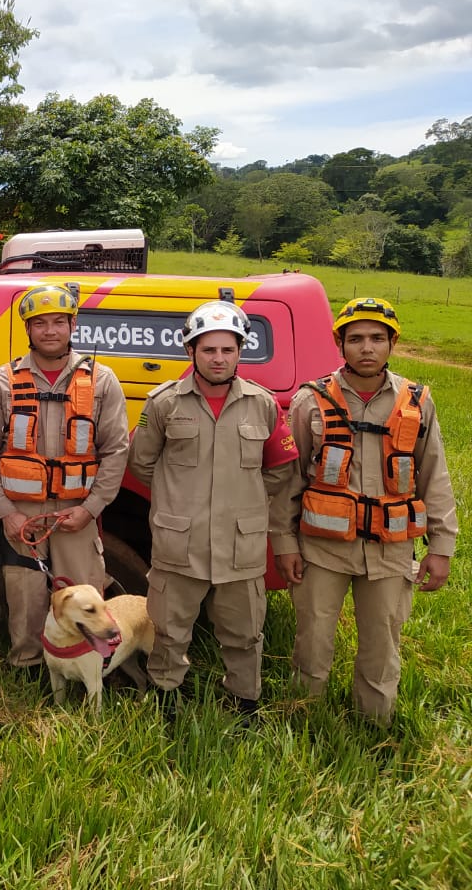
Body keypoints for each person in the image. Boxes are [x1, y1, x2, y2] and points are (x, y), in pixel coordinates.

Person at [273, 297, 457, 726]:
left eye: (377, 338)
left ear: (392, 343)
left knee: (382, 643)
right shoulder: (311, 400)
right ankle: (304, 720)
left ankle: (375, 727)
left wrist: (441, 546)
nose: (367, 348)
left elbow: (436, 478)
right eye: (356, 339)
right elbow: (289, 482)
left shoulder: (416, 402)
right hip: (322, 549)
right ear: (340, 344)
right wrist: (284, 543)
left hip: (391, 551)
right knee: (313, 640)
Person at [127, 300, 299, 723]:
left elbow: (280, 469)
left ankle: (243, 704)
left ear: (240, 352)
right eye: (208, 350)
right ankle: (166, 698)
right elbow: (142, 463)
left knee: (244, 633)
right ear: (191, 352)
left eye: (227, 350)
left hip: (240, 545)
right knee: (168, 629)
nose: (218, 358)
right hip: (179, 542)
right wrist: (179, 500)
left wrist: (239, 499)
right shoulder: (164, 403)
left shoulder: (262, 404)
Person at [0, 284, 129, 674]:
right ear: (28, 329)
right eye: (39, 323)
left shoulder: (102, 380)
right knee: (25, 598)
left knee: (85, 600)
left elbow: (115, 451)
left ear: (72, 324)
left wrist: (91, 509)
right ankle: (26, 671)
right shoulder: (2, 381)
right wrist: (5, 513)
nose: (49, 331)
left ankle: (87, 673)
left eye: (59, 322)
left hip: (77, 513)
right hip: (21, 515)